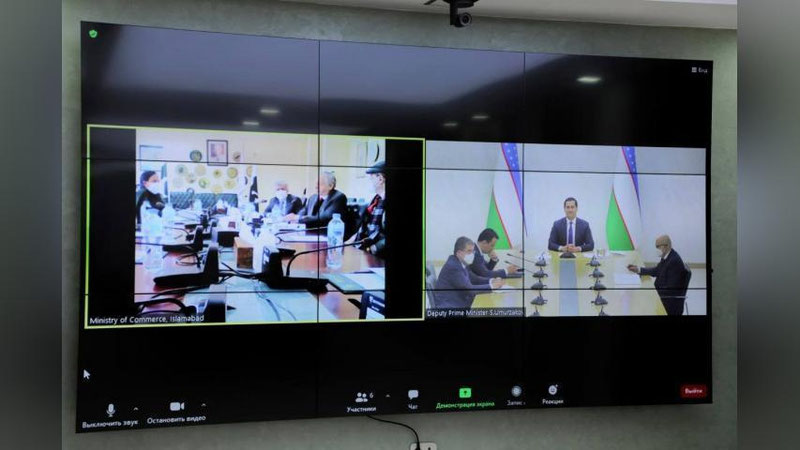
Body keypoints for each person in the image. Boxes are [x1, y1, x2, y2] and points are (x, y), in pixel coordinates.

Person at [627, 235, 689, 316]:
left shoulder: (674, 261)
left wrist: (652, 292)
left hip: (669, 302)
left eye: (658, 247)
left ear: (666, 246)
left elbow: (671, 290)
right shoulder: (667, 255)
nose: (656, 250)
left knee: (640, 302)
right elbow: (657, 270)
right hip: (663, 295)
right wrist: (638, 269)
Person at [434, 237, 504, 309]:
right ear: (459, 253)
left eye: (472, 251)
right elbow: (469, 289)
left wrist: (492, 281)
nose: (471, 254)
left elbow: (474, 279)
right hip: (450, 307)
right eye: (469, 251)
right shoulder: (453, 266)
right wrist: (491, 286)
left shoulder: (461, 262)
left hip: (459, 301)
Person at [354, 161, 387, 257]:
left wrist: (371, 249)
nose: (370, 182)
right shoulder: (376, 199)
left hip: (378, 256)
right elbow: (364, 228)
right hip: (366, 251)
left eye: (371, 178)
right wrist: (347, 244)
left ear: (380, 179)